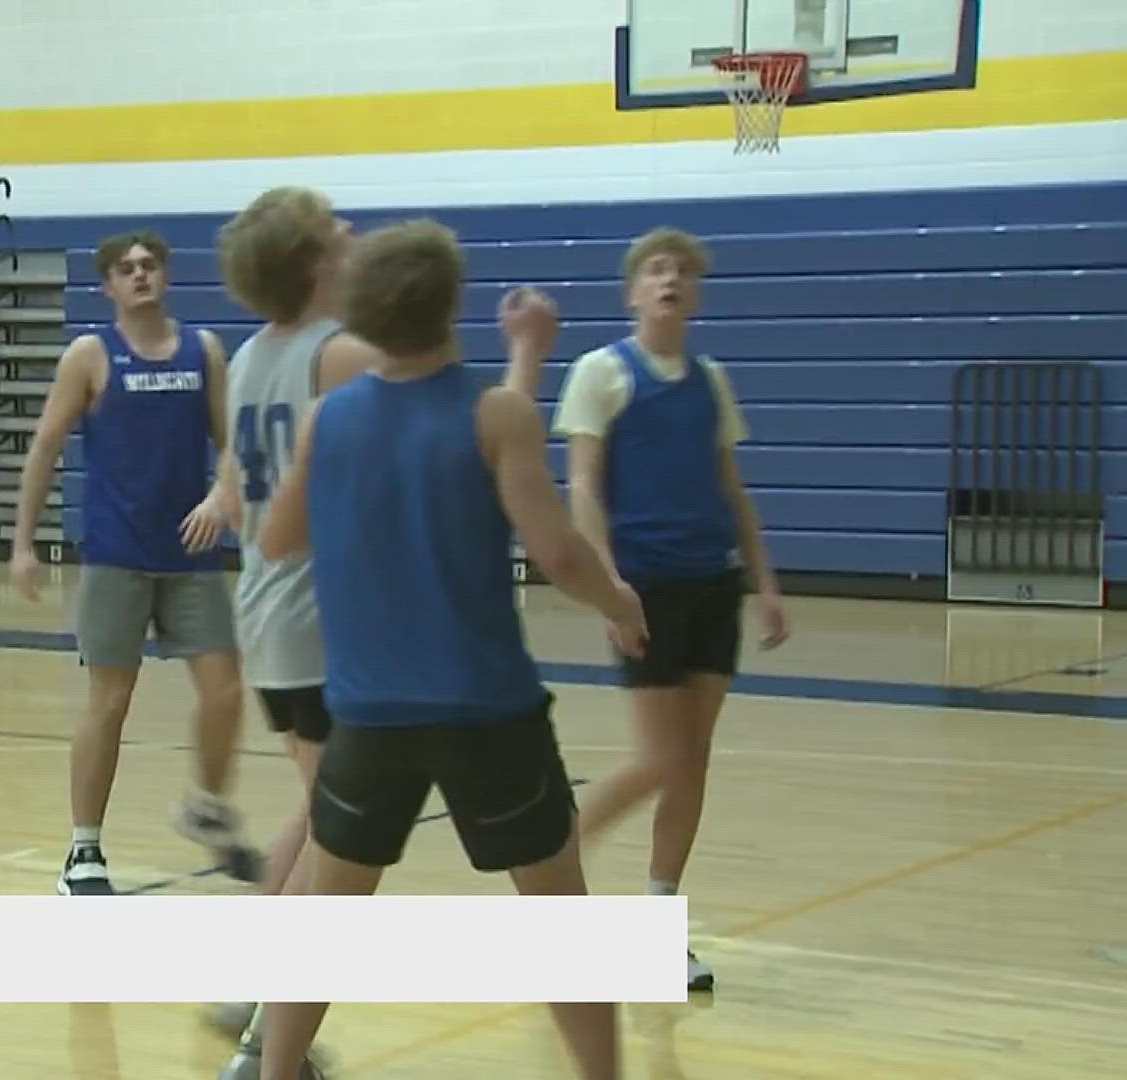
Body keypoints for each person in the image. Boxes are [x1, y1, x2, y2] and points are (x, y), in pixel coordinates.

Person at [222, 220, 646, 1080]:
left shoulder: (333, 418)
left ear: (368, 316)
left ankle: (273, 1072)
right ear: (452, 303)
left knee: (328, 919)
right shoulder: (497, 414)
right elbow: (557, 551)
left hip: (370, 713)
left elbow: (276, 536)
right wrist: (621, 602)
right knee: (560, 919)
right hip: (489, 708)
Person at [552, 227, 790, 993]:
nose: (671, 280)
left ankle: (660, 925)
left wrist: (767, 582)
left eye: (683, 272)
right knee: (659, 758)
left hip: (711, 586)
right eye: (657, 269)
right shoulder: (600, 373)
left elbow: (732, 488)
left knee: (692, 762)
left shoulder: (708, 378)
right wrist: (607, 585)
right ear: (632, 291)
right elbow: (583, 488)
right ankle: (551, 868)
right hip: (643, 586)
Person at [9, 230, 259, 896]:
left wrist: (219, 492)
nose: (140, 275)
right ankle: (83, 852)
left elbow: (234, 443)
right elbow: (43, 450)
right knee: (110, 702)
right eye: (127, 269)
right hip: (117, 555)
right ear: (109, 287)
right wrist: (23, 544)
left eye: (150, 265)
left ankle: (205, 801)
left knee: (226, 687)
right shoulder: (90, 357)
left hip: (192, 555)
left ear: (166, 277)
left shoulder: (204, 351)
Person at [187, 186, 376, 1037]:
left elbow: (230, 493)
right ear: (314, 260)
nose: (354, 232)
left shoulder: (256, 357)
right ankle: (273, 1023)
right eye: (338, 227)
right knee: (342, 840)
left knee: (315, 816)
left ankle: (251, 989)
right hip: (323, 618)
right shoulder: (340, 354)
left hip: (269, 613)